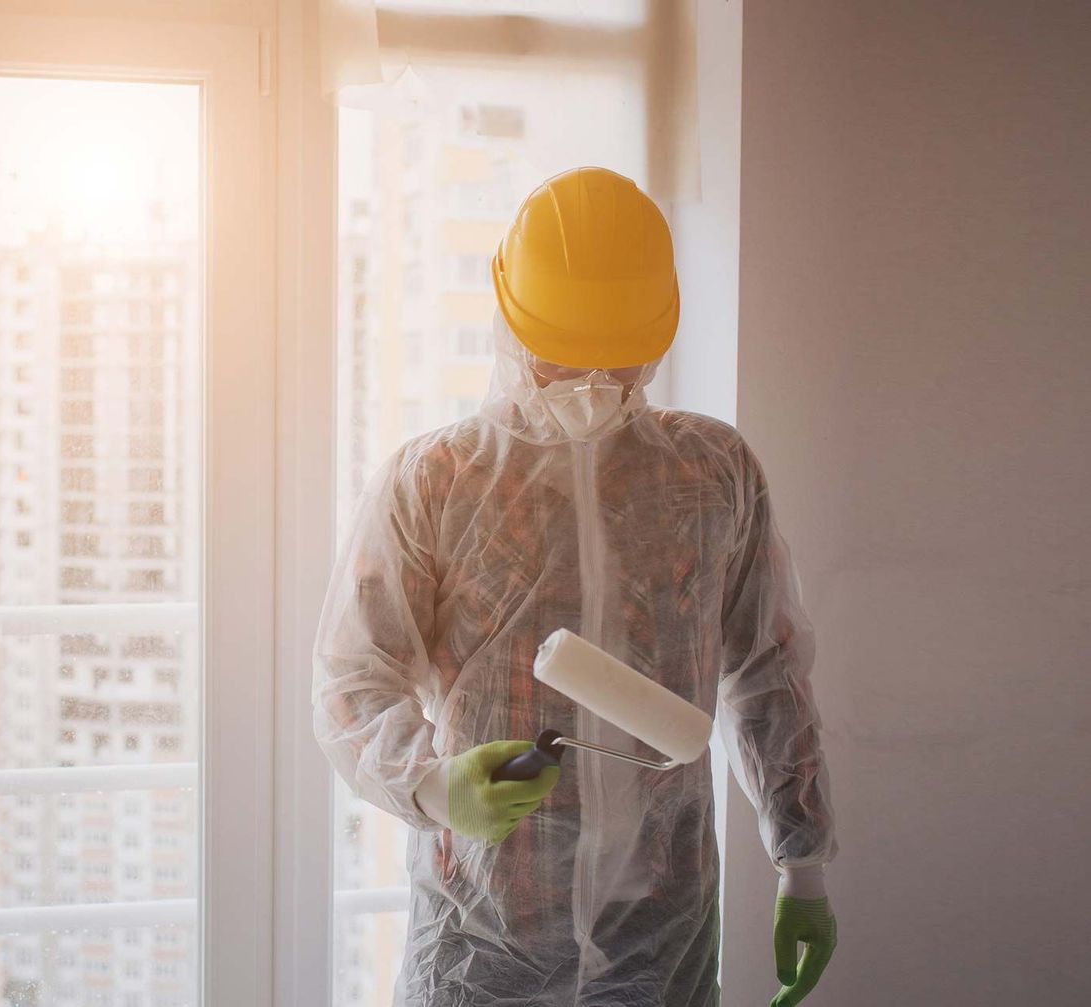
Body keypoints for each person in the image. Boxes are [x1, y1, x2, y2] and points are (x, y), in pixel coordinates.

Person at [313, 167, 837, 1007]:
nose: (593, 384)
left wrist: (800, 861)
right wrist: (430, 782)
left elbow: (767, 671)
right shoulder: (437, 481)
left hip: (660, 940)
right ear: (512, 328)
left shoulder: (712, 472)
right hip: (484, 943)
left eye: (618, 364)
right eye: (564, 360)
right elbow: (352, 678)